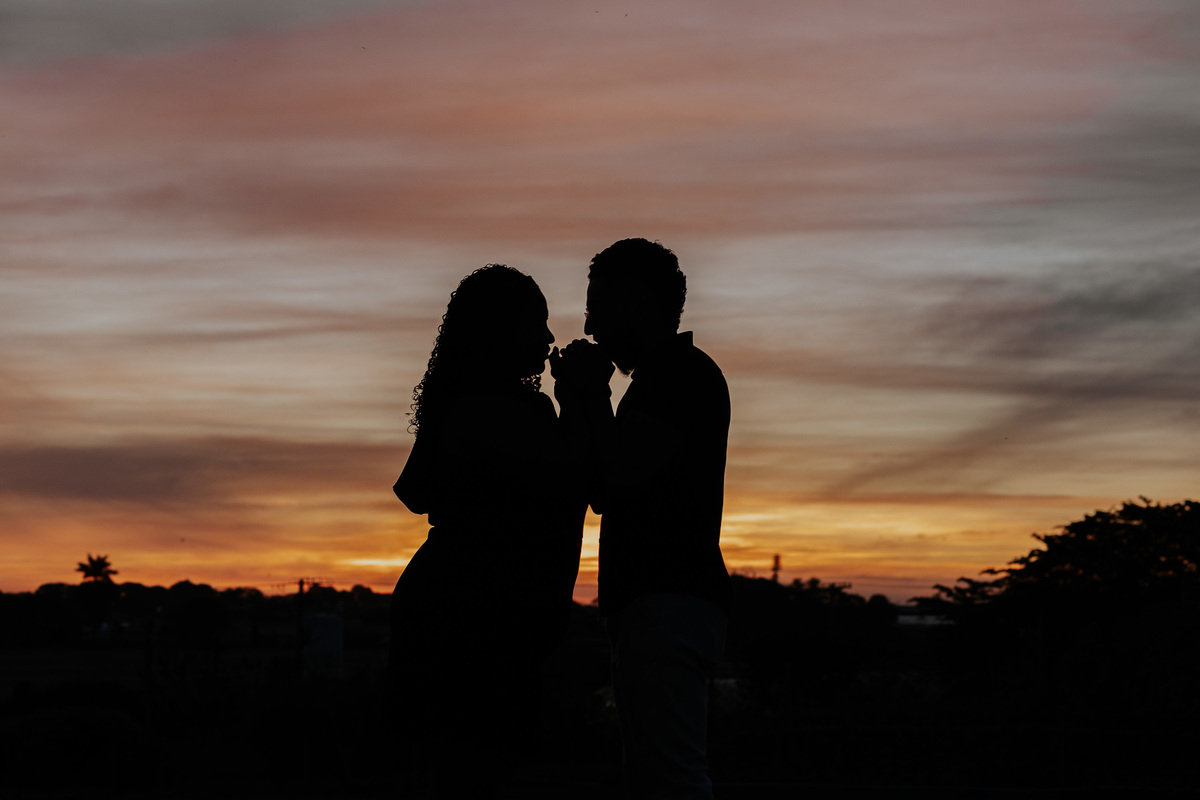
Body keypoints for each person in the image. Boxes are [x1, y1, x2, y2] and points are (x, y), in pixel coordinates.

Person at [388, 264, 586, 799]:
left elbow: (416, 491)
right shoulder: (510, 412)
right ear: (502, 331)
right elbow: (577, 483)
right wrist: (581, 400)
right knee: (481, 772)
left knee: (459, 775)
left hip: (454, 611)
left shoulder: (462, 405)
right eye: (537, 323)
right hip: (478, 621)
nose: (549, 338)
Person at [551, 238, 732, 800]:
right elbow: (605, 483)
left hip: (667, 601)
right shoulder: (661, 380)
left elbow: (617, 481)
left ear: (636, 303)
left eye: (598, 307)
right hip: (655, 603)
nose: (589, 325)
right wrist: (583, 397)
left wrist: (591, 395)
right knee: (654, 779)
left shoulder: (679, 376)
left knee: (671, 780)